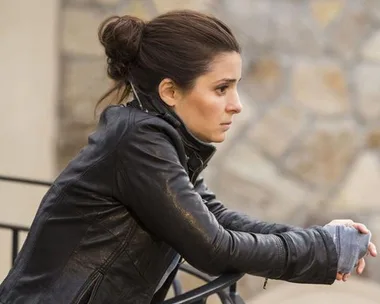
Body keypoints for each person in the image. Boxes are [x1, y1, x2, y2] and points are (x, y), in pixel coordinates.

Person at [0, 10, 376, 304]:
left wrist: (322, 239)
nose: (237, 105)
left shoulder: (158, 137)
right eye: (221, 88)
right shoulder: (138, 142)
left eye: (236, 87)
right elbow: (213, 247)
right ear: (170, 91)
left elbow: (215, 216)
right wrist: (322, 251)